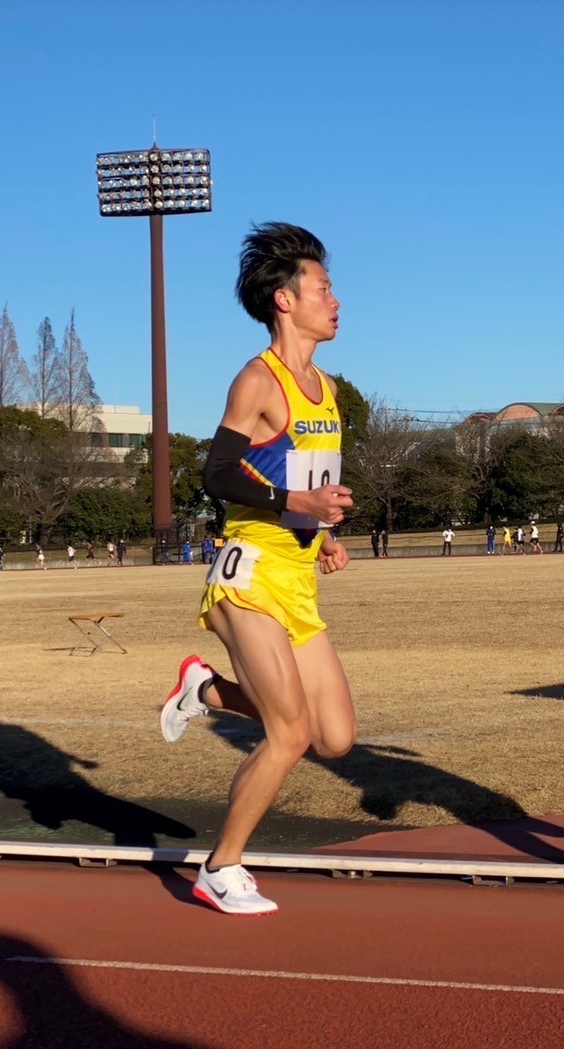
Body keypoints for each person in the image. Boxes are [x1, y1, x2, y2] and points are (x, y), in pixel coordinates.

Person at [158, 221, 356, 916]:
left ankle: (207, 691)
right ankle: (220, 866)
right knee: (289, 732)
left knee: (334, 738)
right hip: (246, 577)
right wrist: (291, 501)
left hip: (295, 574)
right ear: (284, 299)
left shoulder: (324, 388)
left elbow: (304, 479)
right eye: (323, 288)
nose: (336, 299)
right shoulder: (257, 378)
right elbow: (216, 472)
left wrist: (318, 530)